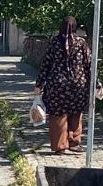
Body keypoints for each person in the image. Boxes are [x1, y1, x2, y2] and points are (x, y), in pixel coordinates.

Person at [35, 17, 91, 154]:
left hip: (57, 85)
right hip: (78, 85)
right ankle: (74, 143)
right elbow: (88, 64)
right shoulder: (81, 43)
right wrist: (96, 84)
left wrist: (39, 84)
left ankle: (60, 146)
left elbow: (45, 65)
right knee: (76, 113)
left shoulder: (55, 42)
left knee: (57, 115)